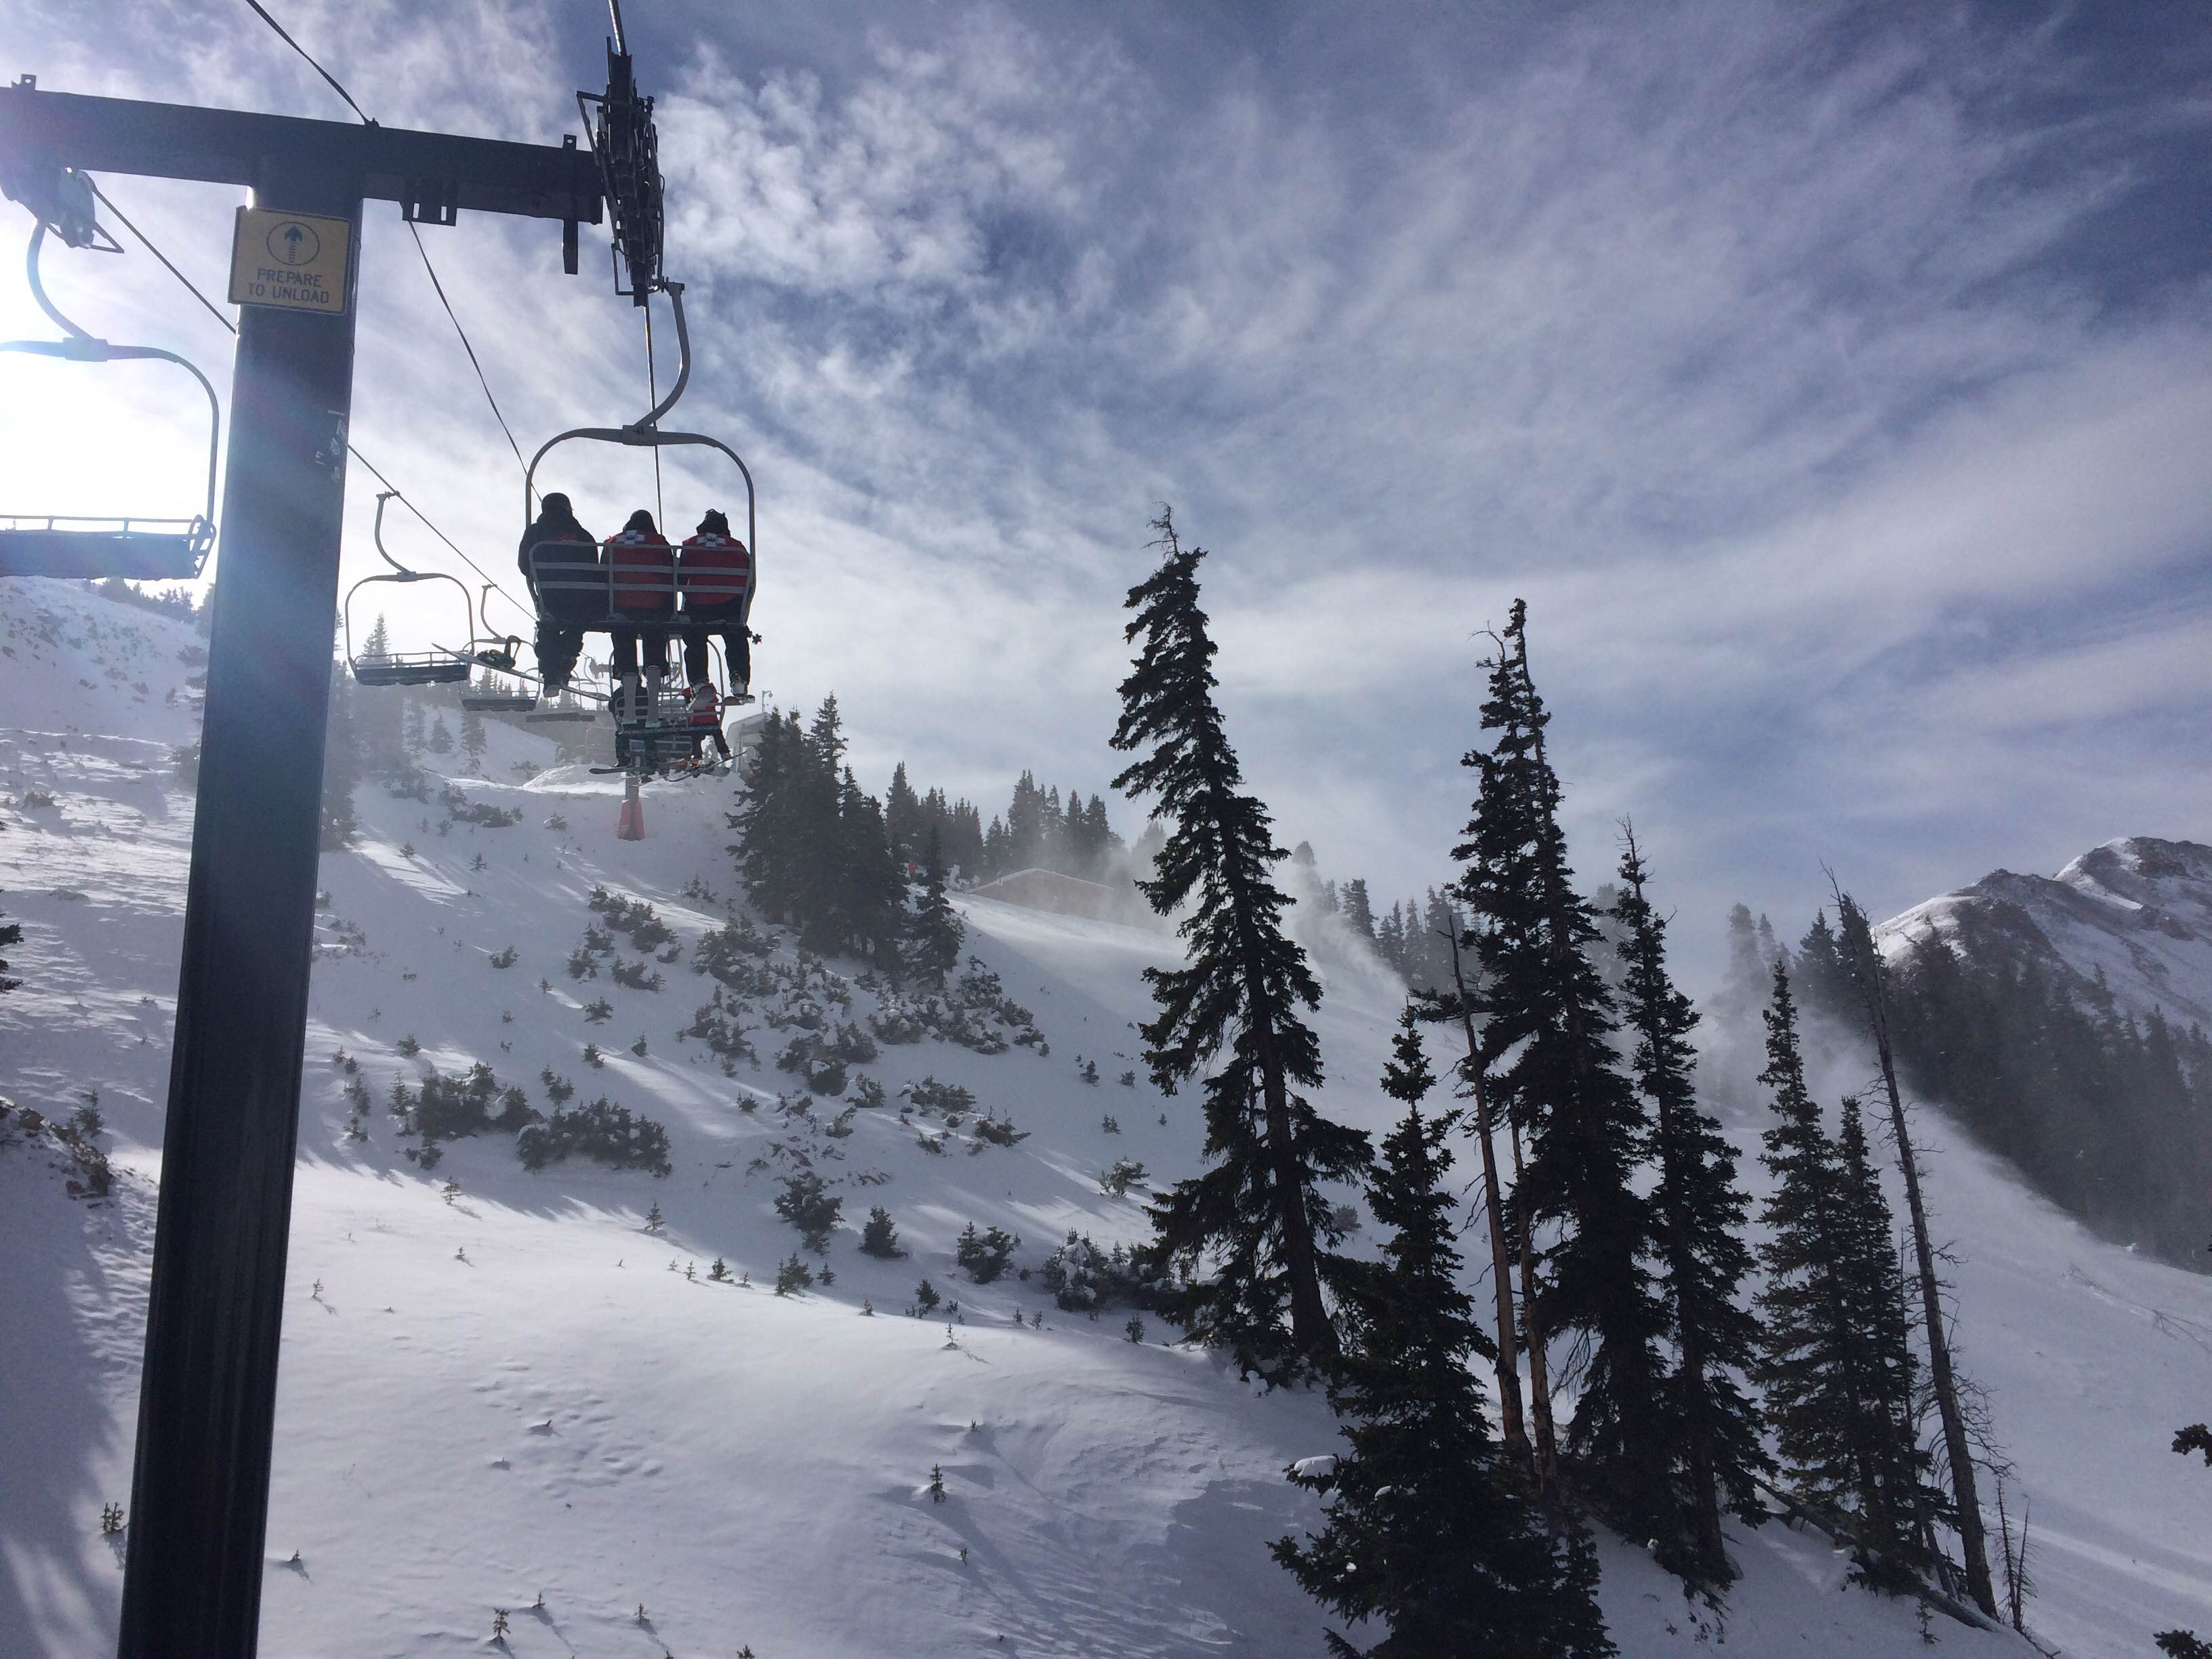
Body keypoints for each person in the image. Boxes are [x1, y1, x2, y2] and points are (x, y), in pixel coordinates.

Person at [516, 493, 600, 697]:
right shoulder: (583, 536)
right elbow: (594, 569)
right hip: (580, 600)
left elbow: (524, 566)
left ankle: (552, 674)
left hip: (550, 598)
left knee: (550, 626)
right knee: (576, 625)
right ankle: (565, 663)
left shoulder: (535, 533)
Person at [602, 508, 674, 722]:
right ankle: (653, 696)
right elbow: (671, 575)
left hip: (622, 607)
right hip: (654, 607)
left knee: (623, 635)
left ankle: (628, 679)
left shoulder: (613, 542)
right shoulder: (660, 543)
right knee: (654, 635)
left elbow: (603, 572)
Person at [676, 508, 754, 704]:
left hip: (699, 607)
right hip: (729, 608)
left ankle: (700, 681)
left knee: (694, 635)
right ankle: (739, 679)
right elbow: (749, 581)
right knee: (736, 633)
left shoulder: (690, 545)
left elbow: (680, 577)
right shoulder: (738, 548)